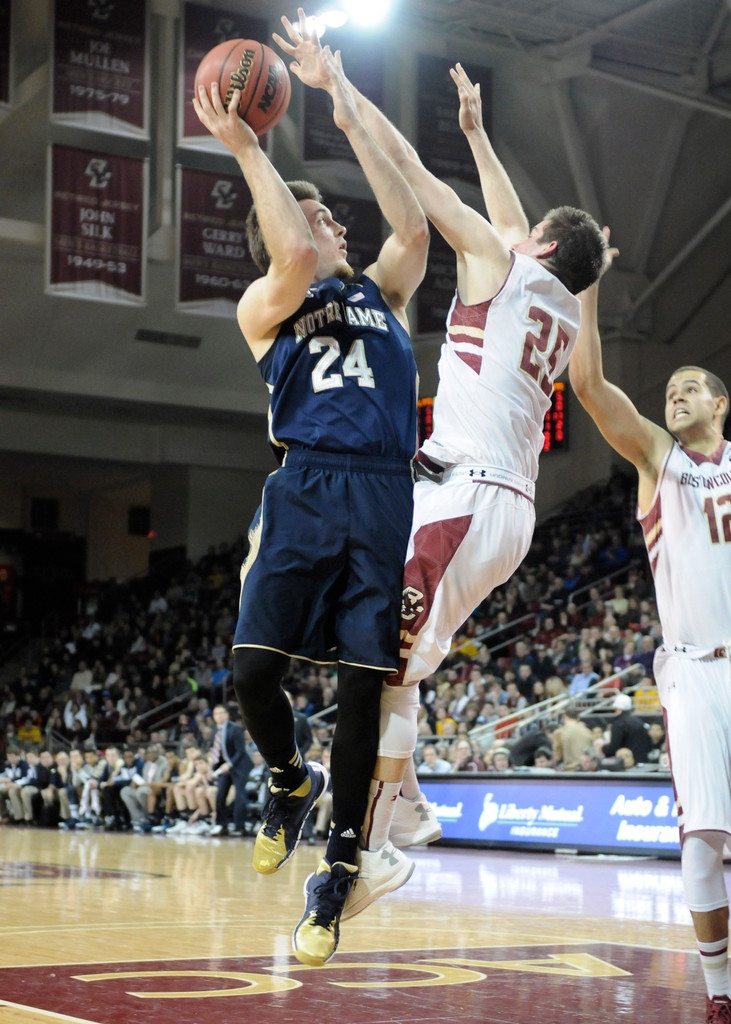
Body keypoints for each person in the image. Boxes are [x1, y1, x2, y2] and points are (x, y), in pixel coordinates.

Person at [284, 38, 605, 923]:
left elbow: (410, 171)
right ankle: (411, 805)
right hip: (483, 501)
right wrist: (481, 133)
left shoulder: (505, 270)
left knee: (381, 664)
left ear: (537, 244)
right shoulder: (555, 302)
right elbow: (510, 223)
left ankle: (374, 846)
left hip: (468, 499)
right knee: (396, 655)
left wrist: (341, 88)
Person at [193, 9, 428, 968]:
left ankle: (335, 867)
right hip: (304, 487)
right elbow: (290, 251)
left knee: (364, 685)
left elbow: (411, 222)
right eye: (318, 213)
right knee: (253, 670)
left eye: (332, 214)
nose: (334, 221)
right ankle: (287, 779)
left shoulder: (381, 290)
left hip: (379, 489)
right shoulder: (265, 305)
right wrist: (247, 147)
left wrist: (340, 102)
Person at [569, 243, 731, 1024]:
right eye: (669, 388)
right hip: (698, 672)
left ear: (720, 405)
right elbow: (590, 388)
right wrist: (589, 289)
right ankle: (718, 995)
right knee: (702, 838)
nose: (674, 395)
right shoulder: (658, 460)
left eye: (689, 387)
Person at [600, 691, 653, 765]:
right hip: (643, 762)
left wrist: (603, 748)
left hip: (627, 764)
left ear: (617, 708)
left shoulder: (618, 724)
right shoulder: (639, 721)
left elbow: (614, 747)